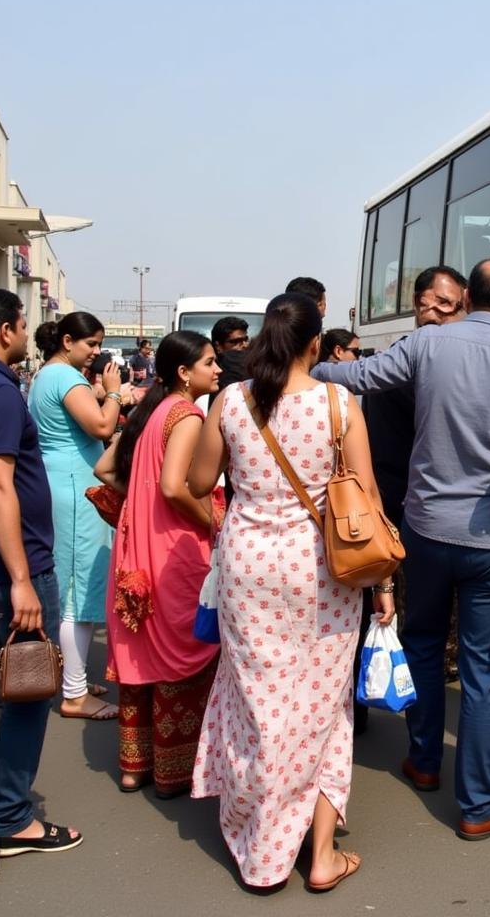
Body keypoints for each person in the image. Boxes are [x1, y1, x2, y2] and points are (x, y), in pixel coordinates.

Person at [312, 259, 490, 841]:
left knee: (422, 644)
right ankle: (479, 806)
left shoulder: (428, 345)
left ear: (469, 297)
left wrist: (293, 366)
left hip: (425, 533)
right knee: (484, 673)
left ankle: (424, 761)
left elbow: (355, 378)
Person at [188, 293, 393, 892]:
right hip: (322, 568)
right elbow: (369, 498)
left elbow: (199, 480)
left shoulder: (228, 401)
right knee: (323, 704)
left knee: (256, 698)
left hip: (248, 565)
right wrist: (382, 582)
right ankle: (319, 853)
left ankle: (260, 839)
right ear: (315, 344)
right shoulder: (339, 402)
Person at [0, 288, 83, 889]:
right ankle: (11, 817)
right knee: (29, 688)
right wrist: (20, 580)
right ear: (8, 330)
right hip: (9, 568)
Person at [93, 332, 223, 797]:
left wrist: (139, 503)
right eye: (209, 363)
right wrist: (214, 521)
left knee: (141, 648)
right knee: (182, 652)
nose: (218, 369)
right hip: (174, 549)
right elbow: (173, 487)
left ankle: (134, 767)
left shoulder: (151, 412)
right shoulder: (187, 415)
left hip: (136, 549)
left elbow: (106, 469)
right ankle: (172, 773)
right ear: (185, 373)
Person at [353, 265, 467, 732]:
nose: (441, 314)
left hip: (396, 497)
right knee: (402, 608)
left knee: (394, 603)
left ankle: (370, 706)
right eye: (433, 304)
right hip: (406, 502)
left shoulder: (403, 355)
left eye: (450, 305)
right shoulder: (417, 363)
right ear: (419, 307)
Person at [27, 313, 121, 721]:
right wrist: (114, 395)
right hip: (73, 486)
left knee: (71, 582)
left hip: (61, 480)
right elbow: (101, 424)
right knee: (79, 588)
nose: (97, 353)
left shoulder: (47, 376)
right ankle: (75, 693)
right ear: (67, 341)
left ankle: (74, 676)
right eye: (91, 345)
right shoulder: (65, 378)